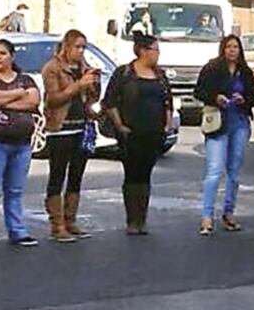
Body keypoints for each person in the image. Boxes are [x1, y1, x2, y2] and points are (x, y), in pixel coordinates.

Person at [103, 34, 173, 235]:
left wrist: (167, 125)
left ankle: (142, 218)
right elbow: (110, 102)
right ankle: (132, 219)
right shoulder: (124, 73)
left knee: (145, 175)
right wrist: (120, 125)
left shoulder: (159, 75)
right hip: (131, 132)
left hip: (153, 132)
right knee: (132, 174)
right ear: (143, 51)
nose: (157, 54)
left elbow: (167, 100)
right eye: (155, 50)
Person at [194, 35, 254, 236]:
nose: (232, 50)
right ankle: (207, 216)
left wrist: (245, 99)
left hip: (239, 122)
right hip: (218, 123)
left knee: (234, 171)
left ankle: (229, 212)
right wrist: (216, 98)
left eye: (236, 47)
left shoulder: (245, 72)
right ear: (223, 49)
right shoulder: (212, 68)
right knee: (214, 170)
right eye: (229, 47)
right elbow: (199, 91)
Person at [0, 39, 42, 249]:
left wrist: (2, 99)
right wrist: (16, 94)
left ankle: (18, 231)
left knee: (14, 190)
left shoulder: (26, 79)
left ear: (12, 56)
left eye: (2, 53)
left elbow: (32, 101)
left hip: (21, 144)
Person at [41, 30, 101, 242]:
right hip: (61, 127)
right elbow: (53, 100)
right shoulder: (53, 68)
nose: (81, 51)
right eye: (77, 47)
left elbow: (91, 98)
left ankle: (70, 219)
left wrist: (94, 83)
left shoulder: (83, 67)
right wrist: (78, 85)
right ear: (66, 46)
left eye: (84, 47)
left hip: (81, 126)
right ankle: (57, 225)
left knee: (76, 175)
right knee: (57, 175)